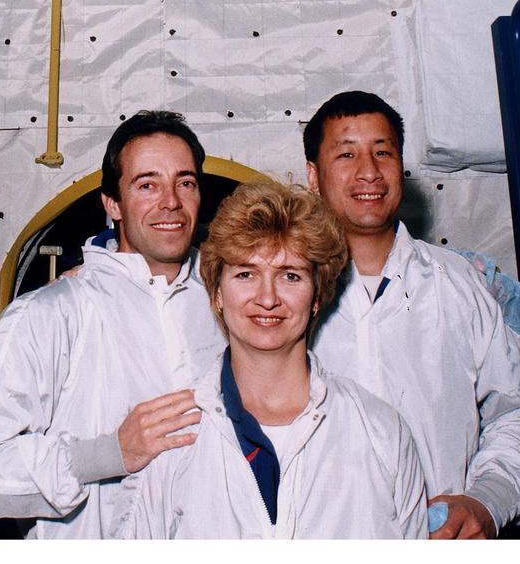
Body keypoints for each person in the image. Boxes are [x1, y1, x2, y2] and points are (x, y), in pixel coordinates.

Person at [0, 110, 225, 537]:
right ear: (113, 204)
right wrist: (107, 454)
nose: (171, 202)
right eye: (147, 185)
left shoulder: (231, 305)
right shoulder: (49, 314)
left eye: (185, 183)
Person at [304, 90, 520, 539]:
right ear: (313, 175)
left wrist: (488, 500)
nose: (369, 172)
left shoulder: (460, 284)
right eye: (346, 154)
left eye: (383, 152)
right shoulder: (280, 292)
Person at [115, 181, 428, 539]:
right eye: (246, 274)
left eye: (290, 276)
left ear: (317, 295)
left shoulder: (380, 429)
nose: (267, 299)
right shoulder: (175, 436)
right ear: (217, 293)